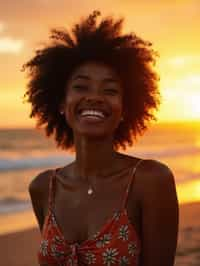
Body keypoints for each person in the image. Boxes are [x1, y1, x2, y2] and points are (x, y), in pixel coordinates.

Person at [23, 10, 179, 266]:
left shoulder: (150, 181)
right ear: (61, 103)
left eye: (110, 90)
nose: (94, 97)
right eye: (81, 86)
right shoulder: (43, 188)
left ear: (124, 109)